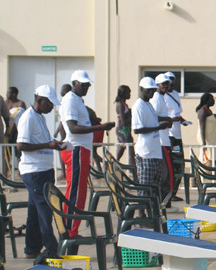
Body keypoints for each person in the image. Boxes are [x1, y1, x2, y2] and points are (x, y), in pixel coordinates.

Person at [61, 70, 115, 238]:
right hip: (76, 148)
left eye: (87, 85)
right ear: (74, 84)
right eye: (83, 85)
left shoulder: (77, 100)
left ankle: (72, 229)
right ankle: (69, 230)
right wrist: (100, 127)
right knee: (75, 192)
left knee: (80, 191)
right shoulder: (70, 100)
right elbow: (73, 128)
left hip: (81, 148)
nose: (86, 87)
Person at [16, 85, 63, 259]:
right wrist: (47, 145)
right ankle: (51, 248)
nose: (52, 107)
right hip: (35, 171)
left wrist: (54, 144)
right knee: (45, 209)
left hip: (43, 169)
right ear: (40, 101)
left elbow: (43, 141)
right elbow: (21, 146)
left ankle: (32, 248)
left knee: (34, 211)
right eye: (50, 104)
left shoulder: (40, 118)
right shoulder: (28, 118)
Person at [132, 77, 171, 201]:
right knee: (145, 187)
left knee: (155, 186)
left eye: (153, 90)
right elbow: (137, 129)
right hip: (146, 153)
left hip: (154, 151)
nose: (151, 93)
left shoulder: (148, 104)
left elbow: (152, 119)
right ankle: (142, 215)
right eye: (148, 91)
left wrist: (166, 120)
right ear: (142, 89)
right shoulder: (138, 106)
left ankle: (151, 214)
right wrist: (158, 127)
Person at [150, 74, 175, 210]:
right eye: (163, 84)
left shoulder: (161, 98)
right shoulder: (156, 98)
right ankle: (163, 203)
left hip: (164, 140)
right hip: (160, 142)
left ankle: (165, 203)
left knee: (167, 175)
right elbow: (153, 117)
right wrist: (167, 119)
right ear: (158, 85)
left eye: (167, 84)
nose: (166, 86)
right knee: (166, 175)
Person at [164, 72, 187, 202]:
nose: (171, 83)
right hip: (170, 136)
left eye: (172, 80)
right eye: (168, 81)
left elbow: (176, 113)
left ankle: (173, 192)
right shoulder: (162, 96)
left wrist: (181, 120)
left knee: (179, 165)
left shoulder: (175, 94)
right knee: (172, 166)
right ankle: (169, 194)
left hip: (177, 134)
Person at [196, 93, 216, 165]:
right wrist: (203, 143)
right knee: (210, 156)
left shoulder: (208, 110)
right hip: (206, 138)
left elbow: (210, 120)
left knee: (215, 155)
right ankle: (212, 172)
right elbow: (202, 127)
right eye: (212, 99)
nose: (214, 101)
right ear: (207, 100)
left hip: (213, 139)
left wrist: (214, 116)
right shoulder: (203, 111)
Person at [115, 85, 135, 166]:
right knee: (129, 150)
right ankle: (133, 170)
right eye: (128, 93)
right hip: (122, 131)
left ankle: (115, 163)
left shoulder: (124, 104)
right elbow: (123, 122)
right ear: (123, 93)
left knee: (125, 149)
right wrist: (131, 116)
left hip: (126, 131)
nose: (130, 95)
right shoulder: (120, 104)